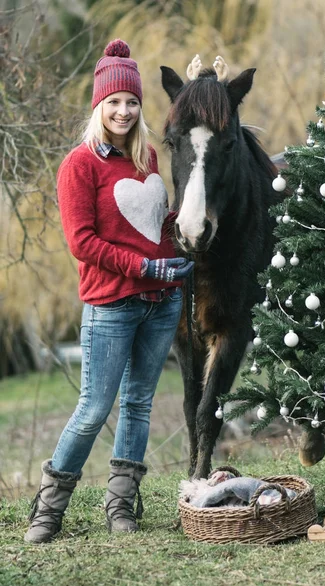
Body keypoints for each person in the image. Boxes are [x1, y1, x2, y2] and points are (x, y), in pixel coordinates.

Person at [24, 39, 193, 544]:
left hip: (163, 302)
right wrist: (145, 267)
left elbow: (151, 223)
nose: (124, 110)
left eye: (132, 101)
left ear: (141, 107)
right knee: (94, 408)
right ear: (99, 105)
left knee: (139, 403)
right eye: (114, 101)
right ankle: (48, 510)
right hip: (112, 305)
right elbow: (83, 243)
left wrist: (180, 236)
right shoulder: (80, 164)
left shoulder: (147, 158)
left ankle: (122, 503)